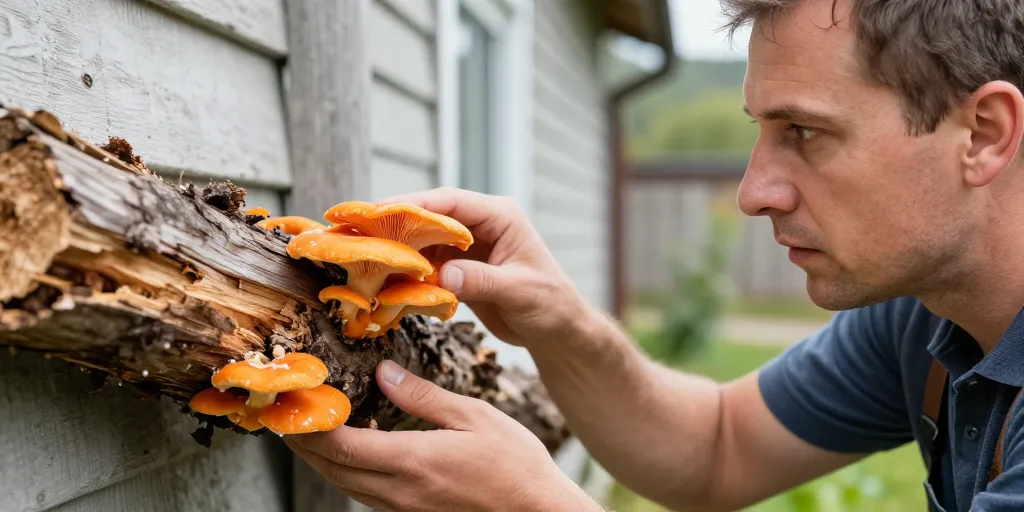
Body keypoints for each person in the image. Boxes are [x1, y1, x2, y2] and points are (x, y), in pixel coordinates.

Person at [283, 0, 1024, 510]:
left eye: (803, 131)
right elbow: (716, 448)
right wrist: (561, 324)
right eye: (762, 130)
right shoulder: (925, 316)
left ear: (985, 133)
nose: (754, 191)